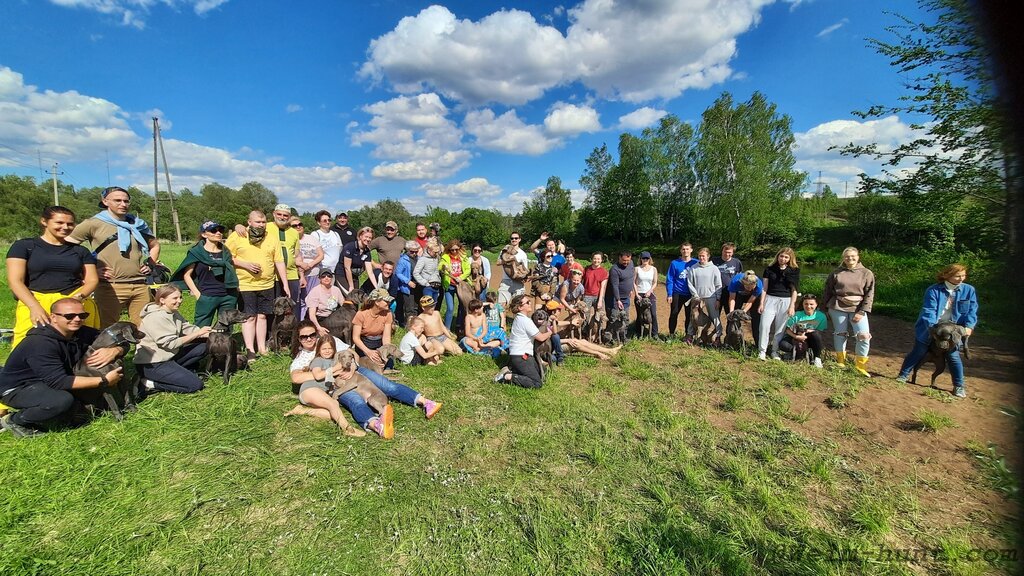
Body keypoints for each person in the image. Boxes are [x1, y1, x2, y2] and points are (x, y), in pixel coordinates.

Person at [287, 320, 443, 437]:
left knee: (387, 386)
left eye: (312, 335)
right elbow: (296, 378)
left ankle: (425, 402)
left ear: (316, 333)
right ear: (299, 339)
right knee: (356, 401)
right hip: (339, 382)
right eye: (304, 337)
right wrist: (330, 372)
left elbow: (353, 353)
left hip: (356, 370)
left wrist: (352, 367)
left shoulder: (328, 340)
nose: (309, 339)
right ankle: (377, 425)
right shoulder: (302, 357)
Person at [0, 297, 127, 437]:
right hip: (19, 387)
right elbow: (59, 381)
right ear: (53, 317)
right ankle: (15, 420)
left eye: (82, 315)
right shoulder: (40, 343)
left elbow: (117, 339)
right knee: (61, 401)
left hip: (52, 380)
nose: (77, 319)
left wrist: (116, 350)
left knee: (85, 410)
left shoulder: (81, 332)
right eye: (69, 316)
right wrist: (104, 380)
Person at [66, 186, 160, 328]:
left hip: (140, 285)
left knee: (145, 328)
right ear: (105, 201)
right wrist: (88, 271)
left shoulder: (137, 224)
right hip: (110, 286)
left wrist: (150, 264)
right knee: (107, 329)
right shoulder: (93, 223)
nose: (123, 204)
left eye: (126, 201)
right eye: (117, 200)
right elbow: (66, 247)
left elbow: (155, 245)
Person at [6, 206, 99, 348]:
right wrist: (34, 307)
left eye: (70, 224)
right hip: (36, 301)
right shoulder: (24, 246)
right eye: (59, 223)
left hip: (74, 301)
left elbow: (92, 280)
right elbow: (15, 281)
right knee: (28, 345)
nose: (65, 227)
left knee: (81, 345)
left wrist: (77, 299)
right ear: (44, 221)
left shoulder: (80, 251)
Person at [896, 264, 978, 397]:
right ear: (947, 275)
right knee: (919, 350)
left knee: (953, 356)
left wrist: (969, 326)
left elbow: (972, 311)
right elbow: (929, 311)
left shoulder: (969, 290)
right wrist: (933, 328)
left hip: (954, 330)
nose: (961, 279)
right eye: (957, 276)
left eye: (963, 276)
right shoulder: (933, 290)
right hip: (931, 327)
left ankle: (959, 386)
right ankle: (903, 375)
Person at [225, 210, 289, 359]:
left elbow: (279, 261)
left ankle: (261, 347)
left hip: (267, 284)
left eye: (263, 222)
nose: (261, 225)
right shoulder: (238, 236)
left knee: (262, 316)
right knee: (249, 317)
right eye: (258, 222)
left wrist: (285, 283)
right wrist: (245, 264)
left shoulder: (271, 238)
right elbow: (226, 257)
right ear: (249, 222)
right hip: (245, 284)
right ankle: (250, 350)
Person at [284, 333, 366, 437]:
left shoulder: (333, 361)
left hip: (320, 393)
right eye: (324, 349)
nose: (327, 351)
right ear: (319, 349)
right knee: (333, 404)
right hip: (310, 389)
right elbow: (318, 376)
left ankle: (302, 410)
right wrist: (335, 369)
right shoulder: (318, 360)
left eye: (330, 348)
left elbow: (329, 379)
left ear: (334, 349)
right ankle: (347, 429)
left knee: (331, 414)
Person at [134, 285, 211, 394]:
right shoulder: (155, 317)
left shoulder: (173, 312)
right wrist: (198, 333)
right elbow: (171, 344)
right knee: (196, 385)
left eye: (180, 297)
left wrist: (211, 333)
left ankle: (180, 372)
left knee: (206, 346)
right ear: (162, 300)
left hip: (170, 356)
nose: (179, 301)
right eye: (175, 298)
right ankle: (149, 384)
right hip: (153, 364)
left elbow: (186, 328)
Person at [172, 220, 239, 327]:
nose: (218, 233)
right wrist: (198, 294)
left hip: (228, 295)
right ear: (204, 234)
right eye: (213, 231)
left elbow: (231, 270)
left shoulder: (226, 252)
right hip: (207, 296)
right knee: (201, 328)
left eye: (220, 230)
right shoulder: (196, 252)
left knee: (226, 328)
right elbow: (187, 275)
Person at [823, 246, 875, 374]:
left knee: (863, 336)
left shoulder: (866, 273)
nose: (850, 258)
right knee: (840, 334)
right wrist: (824, 309)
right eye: (847, 256)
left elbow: (870, 294)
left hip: (858, 308)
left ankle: (860, 366)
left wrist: (862, 311)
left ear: (858, 257)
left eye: (853, 256)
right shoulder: (836, 273)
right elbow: (827, 291)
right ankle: (840, 361)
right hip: (837, 306)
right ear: (843, 258)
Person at [492, 294, 553, 389]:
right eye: (527, 302)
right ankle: (507, 376)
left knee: (543, 370)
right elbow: (541, 337)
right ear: (520, 307)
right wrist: (550, 332)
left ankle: (511, 370)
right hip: (522, 357)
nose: (530, 303)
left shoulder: (520, 318)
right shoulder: (525, 321)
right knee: (537, 383)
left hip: (520, 356)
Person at [758, 247, 800, 361]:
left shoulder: (794, 270)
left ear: (790, 258)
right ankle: (762, 351)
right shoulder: (769, 269)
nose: (783, 259)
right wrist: (761, 303)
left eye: (786, 257)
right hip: (770, 299)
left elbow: (794, 290)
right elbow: (764, 288)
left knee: (780, 328)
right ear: (778, 256)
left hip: (786, 300)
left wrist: (792, 306)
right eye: (781, 256)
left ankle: (774, 351)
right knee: (764, 326)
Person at [777, 294, 828, 368]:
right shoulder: (797, 315)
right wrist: (797, 337)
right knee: (783, 345)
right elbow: (787, 330)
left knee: (816, 335)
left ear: (816, 305)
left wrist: (809, 332)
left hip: (811, 337)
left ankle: (817, 358)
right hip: (796, 336)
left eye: (811, 304)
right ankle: (798, 353)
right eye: (806, 304)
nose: (808, 306)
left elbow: (820, 331)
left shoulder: (821, 316)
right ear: (803, 304)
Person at [352, 288, 396, 371]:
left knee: (387, 364)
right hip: (364, 344)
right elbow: (355, 338)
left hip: (379, 343)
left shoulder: (388, 314)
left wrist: (385, 353)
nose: (389, 303)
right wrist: (368, 352)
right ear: (377, 302)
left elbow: (386, 337)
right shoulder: (361, 314)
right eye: (386, 301)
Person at [686, 247, 723, 344]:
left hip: (711, 297)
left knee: (715, 317)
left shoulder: (714, 268)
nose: (701, 258)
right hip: (698, 297)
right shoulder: (694, 268)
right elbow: (690, 283)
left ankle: (718, 337)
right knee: (693, 317)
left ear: (708, 256)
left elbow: (718, 285)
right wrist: (695, 295)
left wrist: (718, 298)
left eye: (703, 256)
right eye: (699, 256)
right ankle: (690, 336)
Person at [294, 216, 324, 321]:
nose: (298, 227)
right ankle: (300, 322)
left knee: (312, 300)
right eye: (294, 226)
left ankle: (311, 323)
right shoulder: (290, 239)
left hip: (313, 274)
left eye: (300, 224)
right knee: (299, 301)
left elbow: (321, 255)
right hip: (296, 275)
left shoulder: (311, 238)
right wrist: (301, 264)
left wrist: (310, 265)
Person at [665, 242, 697, 338]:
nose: (685, 251)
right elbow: (670, 279)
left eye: (687, 249)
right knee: (674, 313)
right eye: (683, 249)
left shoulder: (696, 262)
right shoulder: (675, 263)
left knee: (689, 315)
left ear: (691, 250)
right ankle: (671, 334)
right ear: (680, 250)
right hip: (677, 293)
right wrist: (669, 294)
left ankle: (688, 335)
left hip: (690, 293)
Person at [439, 240, 469, 331]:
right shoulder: (445, 257)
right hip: (449, 285)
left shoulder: (463, 257)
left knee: (463, 306)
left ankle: (460, 327)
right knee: (450, 308)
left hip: (461, 285)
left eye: (456, 249)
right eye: (452, 250)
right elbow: (440, 266)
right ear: (449, 250)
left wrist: (461, 277)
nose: (454, 251)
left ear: (459, 248)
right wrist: (444, 267)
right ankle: (447, 329)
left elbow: (468, 270)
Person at [305, 270, 344, 336]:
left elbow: (344, 305)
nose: (326, 278)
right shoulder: (315, 291)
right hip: (319, 320)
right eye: (323, 276)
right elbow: (312, 315)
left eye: (329, 276)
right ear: (319, 278)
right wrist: (318, 328)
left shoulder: (336, 290)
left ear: (332, 277)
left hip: (333, 319)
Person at [311, 210, 343, 290]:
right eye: (324, 220)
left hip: (336, 270)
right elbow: (313, 253)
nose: (327, 222)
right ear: (319, 223)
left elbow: (340, 249)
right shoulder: (315, 234)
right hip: (323, 271)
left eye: (329, 220)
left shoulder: (335, 234)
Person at [728, 270, 763, 343]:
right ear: (743, 283)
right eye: (747, 287)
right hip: (738, 295)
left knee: (756, 318)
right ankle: (731, 341)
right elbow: (732, 299)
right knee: (733, 317)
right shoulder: (735, 282)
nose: (749, 289)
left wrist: (743, 312)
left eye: (751, 288)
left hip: (752, 297)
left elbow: (750, 302)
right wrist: (731, 312)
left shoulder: (759, 285)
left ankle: (757, 342)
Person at [497, 232, 529, 307]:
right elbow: (498, 262)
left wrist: (524, 277)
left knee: (517, 306)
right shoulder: (504, 251)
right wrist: (507, 260)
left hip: (518, 282)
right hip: (506, 281)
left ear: (519, 239)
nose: (514, 240)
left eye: (516, 238)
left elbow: (525, 269)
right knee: (501, 306)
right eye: (512, 238)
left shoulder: (523, 254)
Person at [340, 226, 375, 292]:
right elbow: (347, 268)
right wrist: (351, 286)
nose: (368, 239)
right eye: (366, 237)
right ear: (360, 236)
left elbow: (370, 272)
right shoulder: (350, 247)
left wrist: (377, 288)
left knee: (356, 296)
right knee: (349, 294)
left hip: (354, 276)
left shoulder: (367, 251)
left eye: (370, 238)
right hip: (342, 274)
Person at [633, 251, 659, 337]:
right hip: (639, 293)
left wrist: (650, 291)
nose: (645, 260)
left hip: (650, 293)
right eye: (643, 258)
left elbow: (655, 282)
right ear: (640, 259)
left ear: (649, 259)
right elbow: (634, 282)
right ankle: (638, 333)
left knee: (653, 314)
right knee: (639, 314)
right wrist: (636, 294)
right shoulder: (637, 269)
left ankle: (655, 334)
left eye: (647, 258)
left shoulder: (653, 269)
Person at [713, 242, 742, 319]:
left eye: (729, 252)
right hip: (716, 291)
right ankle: (717, 327)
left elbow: (739, 277)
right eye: (725, 252)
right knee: (715, 315)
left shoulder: (737, 262)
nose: (727, 254)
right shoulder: (714, 261)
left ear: (732, 253)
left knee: (730, 314)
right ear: (722, 251)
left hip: (730, 292)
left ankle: (729, 327)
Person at [395, 240, 420, 328]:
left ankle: (416, 325)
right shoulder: (403, 260)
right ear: (408, 250)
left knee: (416, 306)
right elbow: (398, 273)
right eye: (412, 251)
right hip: (407, 287)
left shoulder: (419, 258)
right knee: (409, 308)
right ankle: (409, 326)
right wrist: (408, 281)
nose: (414, 253)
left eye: (416, 251)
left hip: (418, 285)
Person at [607, 251, 635, 323]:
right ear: (619, 258)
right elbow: (615, 285)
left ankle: (625, 330)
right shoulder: (614, 269)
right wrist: (618, 300)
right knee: (613, 319)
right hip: (614, 298)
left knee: (625, 318)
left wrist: (631, 289)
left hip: (626, 297)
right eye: (624, 260)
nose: (626, 262)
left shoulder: (631, 263)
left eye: (628, 260)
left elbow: (631, 276)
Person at [413, 238, 443, 303]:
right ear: (429, 250)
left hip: (436, 286)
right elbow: (416, 273)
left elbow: (436, 272)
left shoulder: (436, 259)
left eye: (437, 252)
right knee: (428, 305)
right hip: (428, 287)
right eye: (435, 252)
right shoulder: (422, 259)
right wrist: (425, 283)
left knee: (434, 306)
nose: (436, 254)